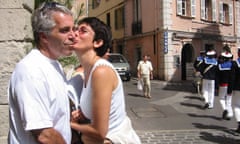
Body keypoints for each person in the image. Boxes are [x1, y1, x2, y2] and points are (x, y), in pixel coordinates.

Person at [7, 2, 77, 144]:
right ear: (44, 37)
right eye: (65, 30)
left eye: (73, 29)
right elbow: (44, 135)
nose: (73, 36)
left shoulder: (54, 64)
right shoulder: (31, 70)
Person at [70, 17, 141, 143]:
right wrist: (83, 115)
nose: (75, 33)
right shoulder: (87, 72)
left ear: (97, 42)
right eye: (76, 29)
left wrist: (68, 124)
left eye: (83, 30)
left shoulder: (101, 71)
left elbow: (99, 133)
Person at [217, 49, 234, 120]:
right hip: (231, 85)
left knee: (221, 98)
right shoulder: (233, 65)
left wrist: (217, 86)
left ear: (223, 58)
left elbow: (218, 77)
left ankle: (225, 109)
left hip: (223, 85)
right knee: (229, 100)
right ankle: (229, 114)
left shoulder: (220, 66)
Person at [231, 47, 240, 132]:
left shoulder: (235, 63)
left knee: (237, 106)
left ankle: (239, 123)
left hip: (237, 88)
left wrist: (230, 90)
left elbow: (232, 78)